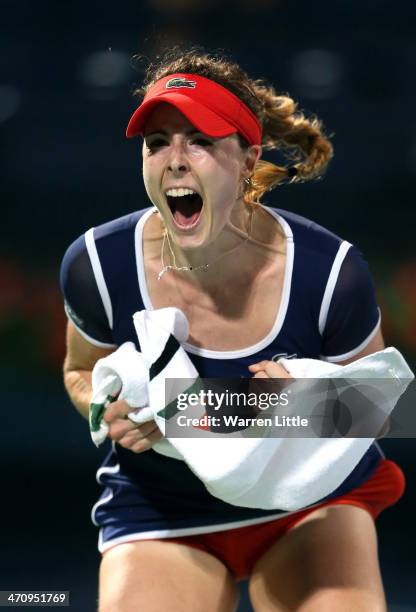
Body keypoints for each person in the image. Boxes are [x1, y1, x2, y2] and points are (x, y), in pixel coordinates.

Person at [60, 49, 405, 611]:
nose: (175, 160)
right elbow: (80, 370)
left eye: (199, 141)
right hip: (163, 509)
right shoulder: (98, 264)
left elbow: (382, 409)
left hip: (309, 508)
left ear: (249, 158)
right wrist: (105, 408)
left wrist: (302, 407)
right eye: (157, 143)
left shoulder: (329, 271)